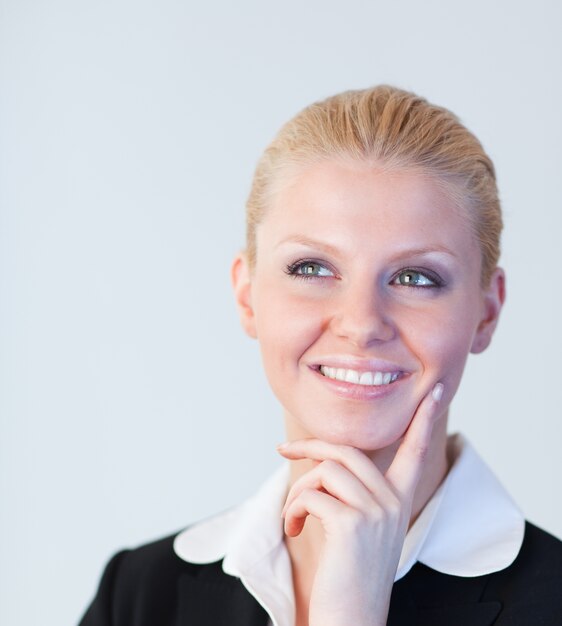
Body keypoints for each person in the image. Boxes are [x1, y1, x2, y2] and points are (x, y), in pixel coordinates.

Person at [79, 85, 562, 626]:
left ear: (487, 312)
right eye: (312, 268)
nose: (360, 323)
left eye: (415, 277)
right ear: (247, 295)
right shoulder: (140, 595)